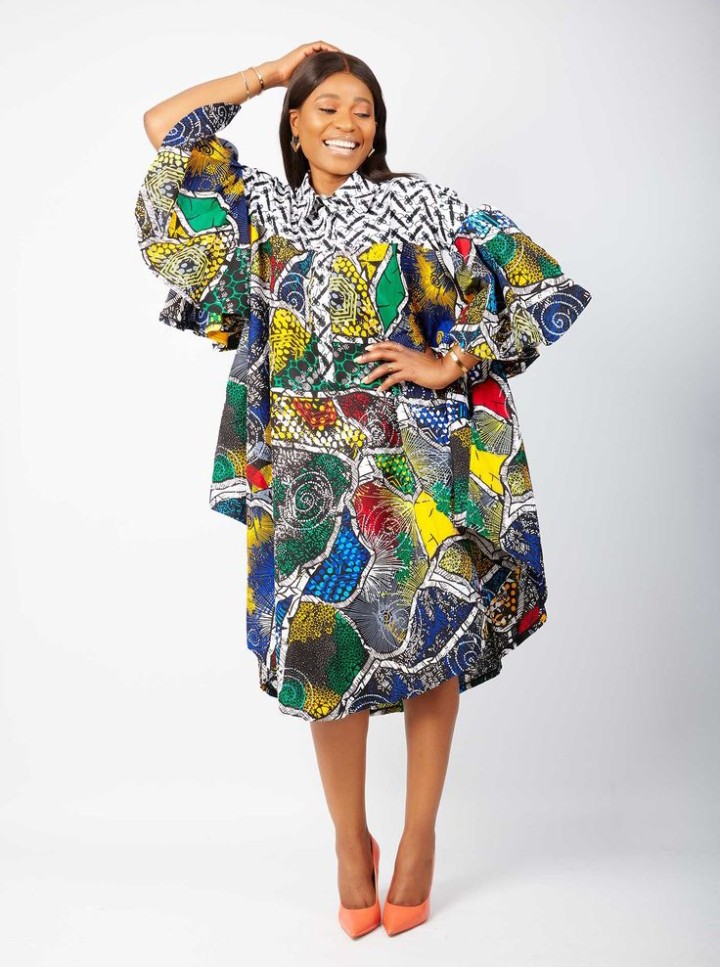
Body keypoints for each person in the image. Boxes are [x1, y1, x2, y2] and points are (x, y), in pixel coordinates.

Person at [135, 42, 592, 939]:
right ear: (295, 126)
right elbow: (164, 132)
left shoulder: (421, 204)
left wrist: (450, 361)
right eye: (328, 107)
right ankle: (351, 841)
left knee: (435, 640)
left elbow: (542, 284)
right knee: (326, 660)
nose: (349, 124)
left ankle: (419, 837)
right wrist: (269, 72)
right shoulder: (263, 210)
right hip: (307, 469)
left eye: (364, 110)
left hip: (414, 462)